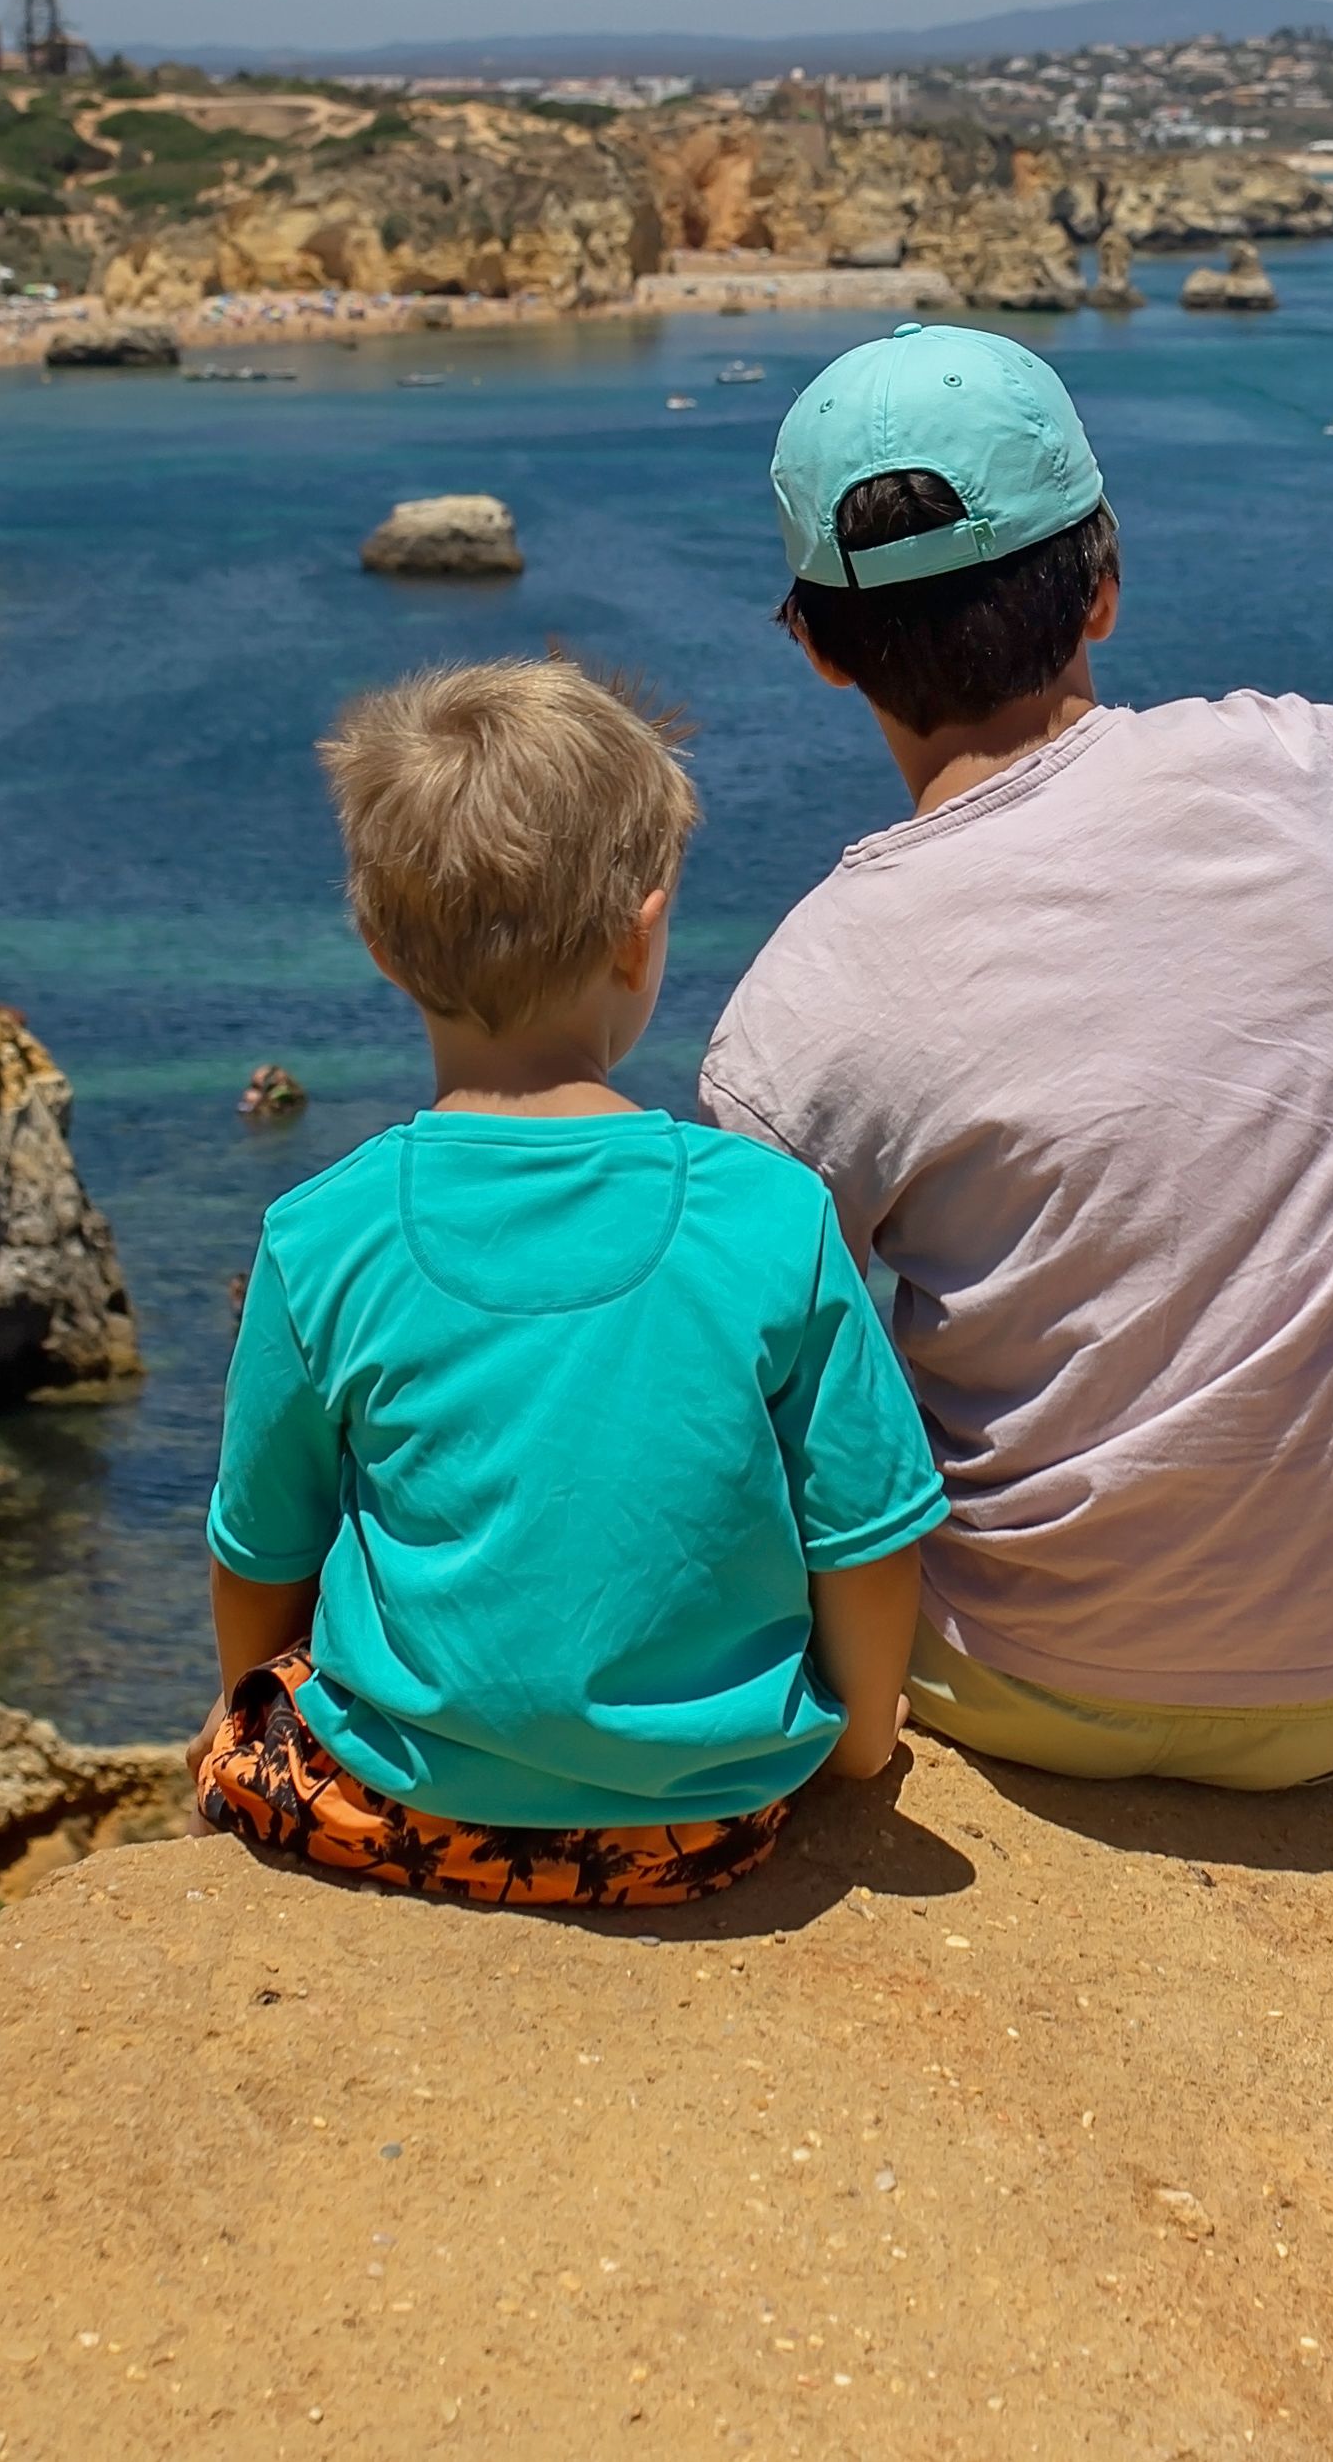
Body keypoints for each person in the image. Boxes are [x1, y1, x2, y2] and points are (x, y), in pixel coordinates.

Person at [698, 321, 1333, 1790]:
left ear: (817, 645)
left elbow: (730, 1364)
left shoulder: (798, 1003)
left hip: (1017, 1681)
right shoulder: (1287, 768)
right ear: (1105, 590)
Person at [200, 658, 943, 1905]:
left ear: (380, 948)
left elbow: (256, 1555)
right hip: (701, 1825)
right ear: (641, 934)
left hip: (402, 1804)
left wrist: (257, 1706)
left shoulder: (315, 1232)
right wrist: (860, 1743)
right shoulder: (771, 1215)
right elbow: (865, 1540)